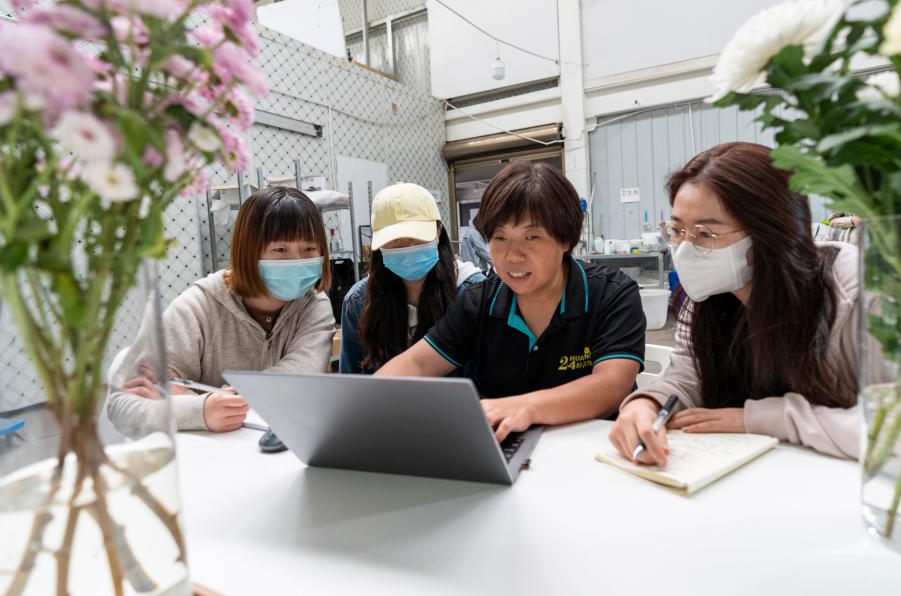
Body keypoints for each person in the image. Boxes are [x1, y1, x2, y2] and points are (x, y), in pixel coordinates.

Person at [609, 142, 859, 463]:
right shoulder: (707, 298)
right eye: (677, 230)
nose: (684, 250)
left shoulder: (850, 285)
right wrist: (646, 404)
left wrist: (762, 418)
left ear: (770, 232)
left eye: (705, 234)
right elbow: (689, 375)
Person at [376, 161, 646, 441]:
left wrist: (524, 407)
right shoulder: (479, 302)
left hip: (598, 453)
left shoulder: (611, 293)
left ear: (566, 239)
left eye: (532, 237)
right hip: (511, 455)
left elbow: (612, 386)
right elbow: (416, 364)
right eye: (500, 238)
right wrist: (361, 407)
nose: (513, 256)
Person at [108, 186, 336, 433]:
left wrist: (186, 397)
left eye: (309, 250)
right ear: (248, 252)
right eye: (280, 250)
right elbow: (121, 406)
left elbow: (299, 380)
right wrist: (200, 410)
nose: (297, 261)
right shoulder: (196, 307)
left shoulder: (315, 305)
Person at [340, 182, 484, 374]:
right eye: (394, 240)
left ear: (438, 231)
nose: (406, 248)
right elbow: (353, 385)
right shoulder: (359, 302)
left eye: (416, 238)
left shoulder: (472, 293)